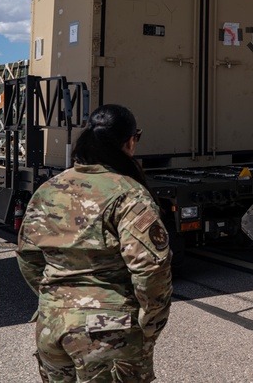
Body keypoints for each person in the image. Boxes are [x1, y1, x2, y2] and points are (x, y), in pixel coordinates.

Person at [16, 104, 172, 383]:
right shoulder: (129, 193)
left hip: (52, 326)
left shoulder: (48, 189)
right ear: (131, 141)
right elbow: (151, 267)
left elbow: (28, 256)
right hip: (109, 331)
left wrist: (56, 300)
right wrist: (151, 321)